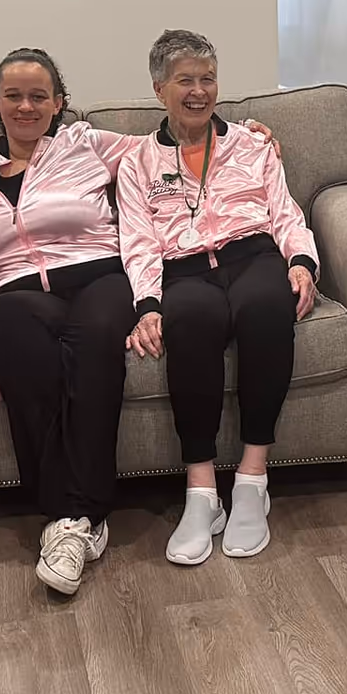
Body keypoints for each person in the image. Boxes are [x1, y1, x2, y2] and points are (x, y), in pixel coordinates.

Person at [120, 29, 318, 566]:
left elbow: (284, 212)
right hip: (183, 270)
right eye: (185, 80)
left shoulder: (251, 144)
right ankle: (202, 492)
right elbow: (136, 240)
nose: (199, 91)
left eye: (208, 79)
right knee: (191, 324)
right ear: (159, 87)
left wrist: (301, 262)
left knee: (265, 309)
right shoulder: (138, 160)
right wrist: (148, 304)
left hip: (250, 254)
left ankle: (253, 480)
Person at [0, 47, 140, 595]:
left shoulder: (86, 143)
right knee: (18, 341)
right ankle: (72, 518)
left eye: (38, 96)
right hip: (15, 288)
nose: (25, 106)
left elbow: (174, 147)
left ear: (58, 103)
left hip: (98, 276)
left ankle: (77, 517)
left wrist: (251, 134)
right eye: (13, 95)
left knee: (94, 352)